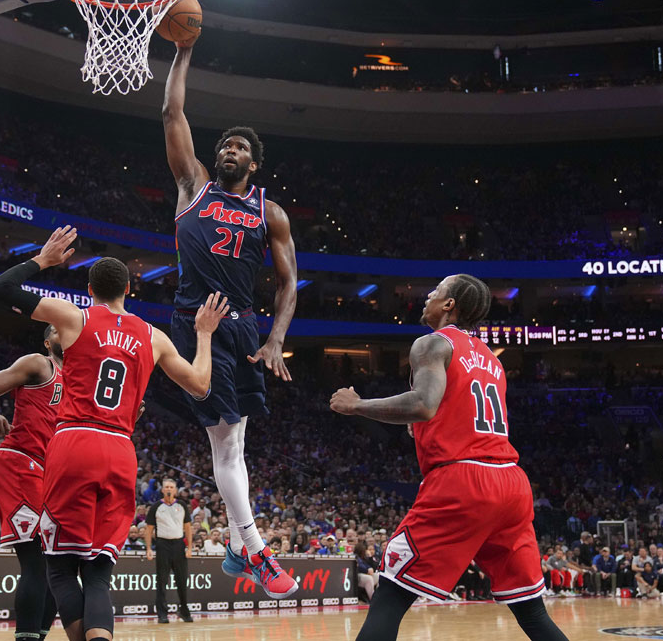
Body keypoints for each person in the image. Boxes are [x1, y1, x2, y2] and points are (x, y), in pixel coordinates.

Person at [0, 226, 226, 641]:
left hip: (74, 441)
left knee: (58, 566)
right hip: (120, 449)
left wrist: (43, 260)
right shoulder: (154, 337)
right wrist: (204, 334)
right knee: (98, 572)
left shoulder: (74, 317)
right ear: (129, 288)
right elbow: (202, 385)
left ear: (89, 288)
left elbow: (0, 288)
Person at [330, 274, 569, 641]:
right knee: (531, 610)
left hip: (464, 481)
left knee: (390, 593)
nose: (427, 296)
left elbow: (424, 404)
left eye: (436, 291)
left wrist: (357, 405)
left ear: (449, 305)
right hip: (510, 482)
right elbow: (457, 409)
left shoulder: (433, 344)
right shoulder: (492, 358)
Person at [161, 34, 299, 601]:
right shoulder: (193, 184)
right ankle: (255, 546)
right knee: (223, 442)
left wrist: (275, 340)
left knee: (232, 448)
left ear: (254, 162)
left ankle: (239, 551)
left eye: (240, 147)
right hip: (199, 324)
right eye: (225, 144)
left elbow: (291, 282)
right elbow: (173, 110)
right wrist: (184, 53)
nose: (230, 149)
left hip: (242, 327)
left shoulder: (270, 212)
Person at [0, 323, 64, 641]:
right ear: (47, 342)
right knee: (37, 561)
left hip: (49, 474)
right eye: (60, 329)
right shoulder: (39, 363)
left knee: (60, 563)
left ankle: (37, 633)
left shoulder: (81, 380)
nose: (69, 332)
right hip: (19, 463)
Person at [144, 479, 193, 623]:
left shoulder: (182, 505)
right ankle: (162, 613)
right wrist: (148, 548)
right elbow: (148, 529)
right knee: (162, 581)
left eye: (171, 487)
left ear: (176, 490)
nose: (169, 489)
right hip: (162, 544)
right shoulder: (156, 507)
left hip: (178, 544)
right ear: (162, 490)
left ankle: (184, 611)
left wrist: (189, 547)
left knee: (182, 580)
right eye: (166, 487)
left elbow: (188, 528)